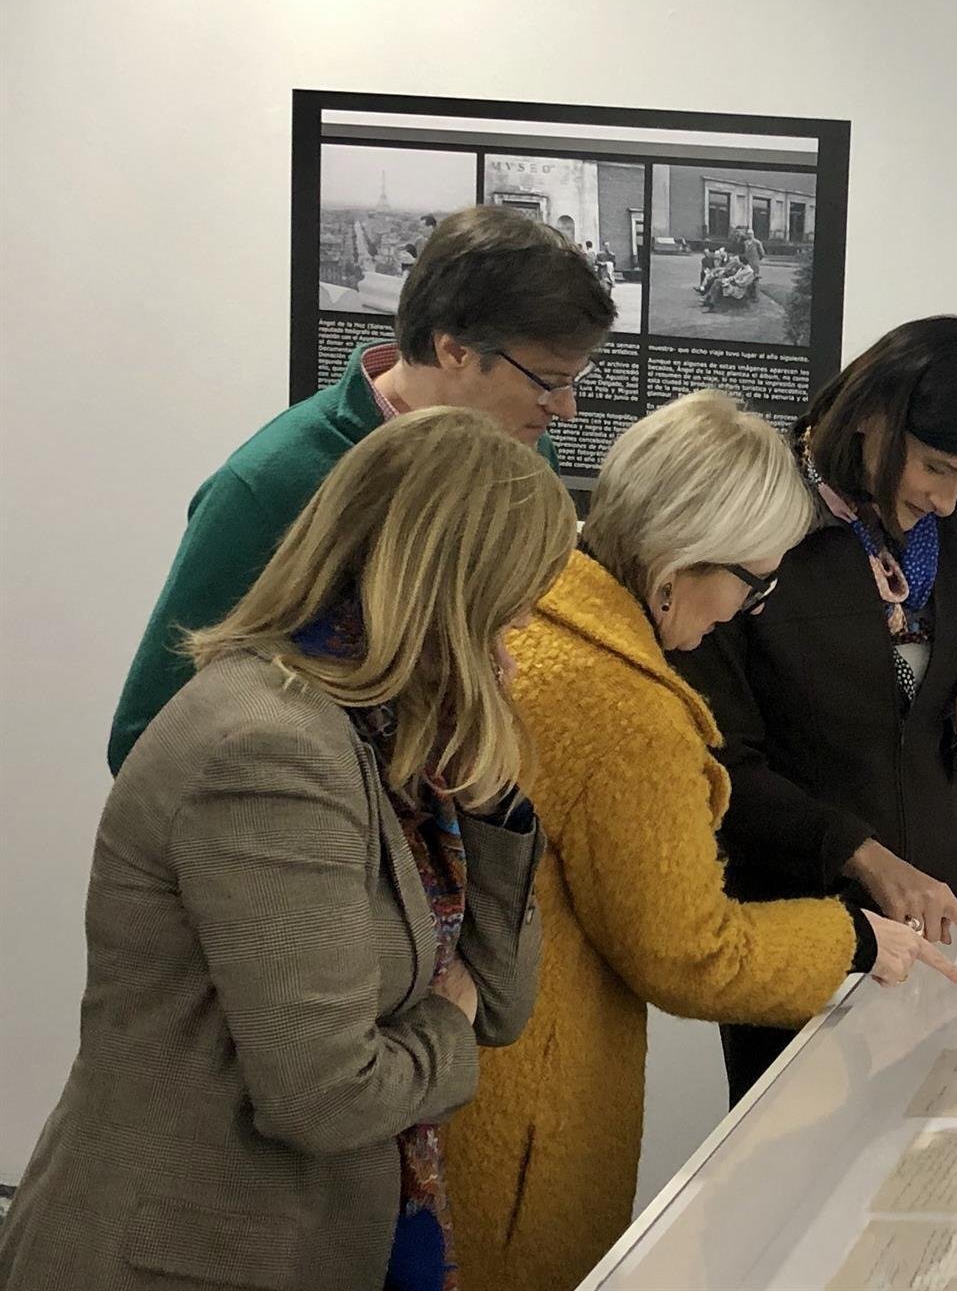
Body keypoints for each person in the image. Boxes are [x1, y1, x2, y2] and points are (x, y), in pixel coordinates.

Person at [0, 408, 575, 1291]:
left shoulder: (390, 737)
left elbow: (498, 1003)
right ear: (452, 592)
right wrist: (445, 1023)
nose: (522, 628)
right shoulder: (271, 749)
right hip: (183, 1256)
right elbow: (326, 1095)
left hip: (287, 1237)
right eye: (514, 602)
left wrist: (488, 796)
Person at [444, 390, 957, 1291]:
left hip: (462, 1075)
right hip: (529, 1104)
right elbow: (687, 951)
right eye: (753, 581)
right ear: (678, 563)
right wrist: (855, 938)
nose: (753, 608)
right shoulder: (625, 708)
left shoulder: (535, 612)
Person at [107, 204, 616, 774]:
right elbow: (148, 736)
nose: (566, 409)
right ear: (454, 350)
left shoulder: (524, 453)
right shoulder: (273, 481)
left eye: (575, 380)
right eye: (548, 382)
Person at [673, 315, 957, 1104]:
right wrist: (866, 858)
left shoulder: (956, 522)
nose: (947, 500)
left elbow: (936, 706)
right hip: (800, 912)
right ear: (872, 416)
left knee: (944, 1141)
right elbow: (716, 759)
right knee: (797, 1150)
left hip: (942, 892)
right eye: (937, 469)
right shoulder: (757, 523)